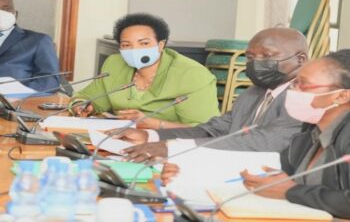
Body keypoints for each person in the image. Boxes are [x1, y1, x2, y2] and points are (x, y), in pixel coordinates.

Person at [108, 27, 309, 162]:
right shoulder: (253, 93)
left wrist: (171, 148)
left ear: (300, 59)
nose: (255, 63)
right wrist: (149, 135)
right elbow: (214, 130)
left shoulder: (306, 99)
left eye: (267, 56)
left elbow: (259, 142)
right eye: (250, 57)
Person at [239, 50, 350, 218]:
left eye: (303, 84)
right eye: (295, 82)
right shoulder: (311, 128)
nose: (294, 90)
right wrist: (275, 180)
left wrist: (291, 191)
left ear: (341, 96)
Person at [70, 13, 220, 129]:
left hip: (170, 145)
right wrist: (82, 105)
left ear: (161, 45)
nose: (135, 49)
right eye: (126, 45)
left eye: (144, 43)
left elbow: (206, 130)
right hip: (121, 140)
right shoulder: (114, 64)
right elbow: (88, 97)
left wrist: (153, 123)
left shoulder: (191, 74)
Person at [0, 0, 60, 91]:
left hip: (14, 101)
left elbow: (50, 81)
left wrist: (16, 90)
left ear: (15, 14)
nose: (1, 13)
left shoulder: (39, 40)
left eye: (6, 9)